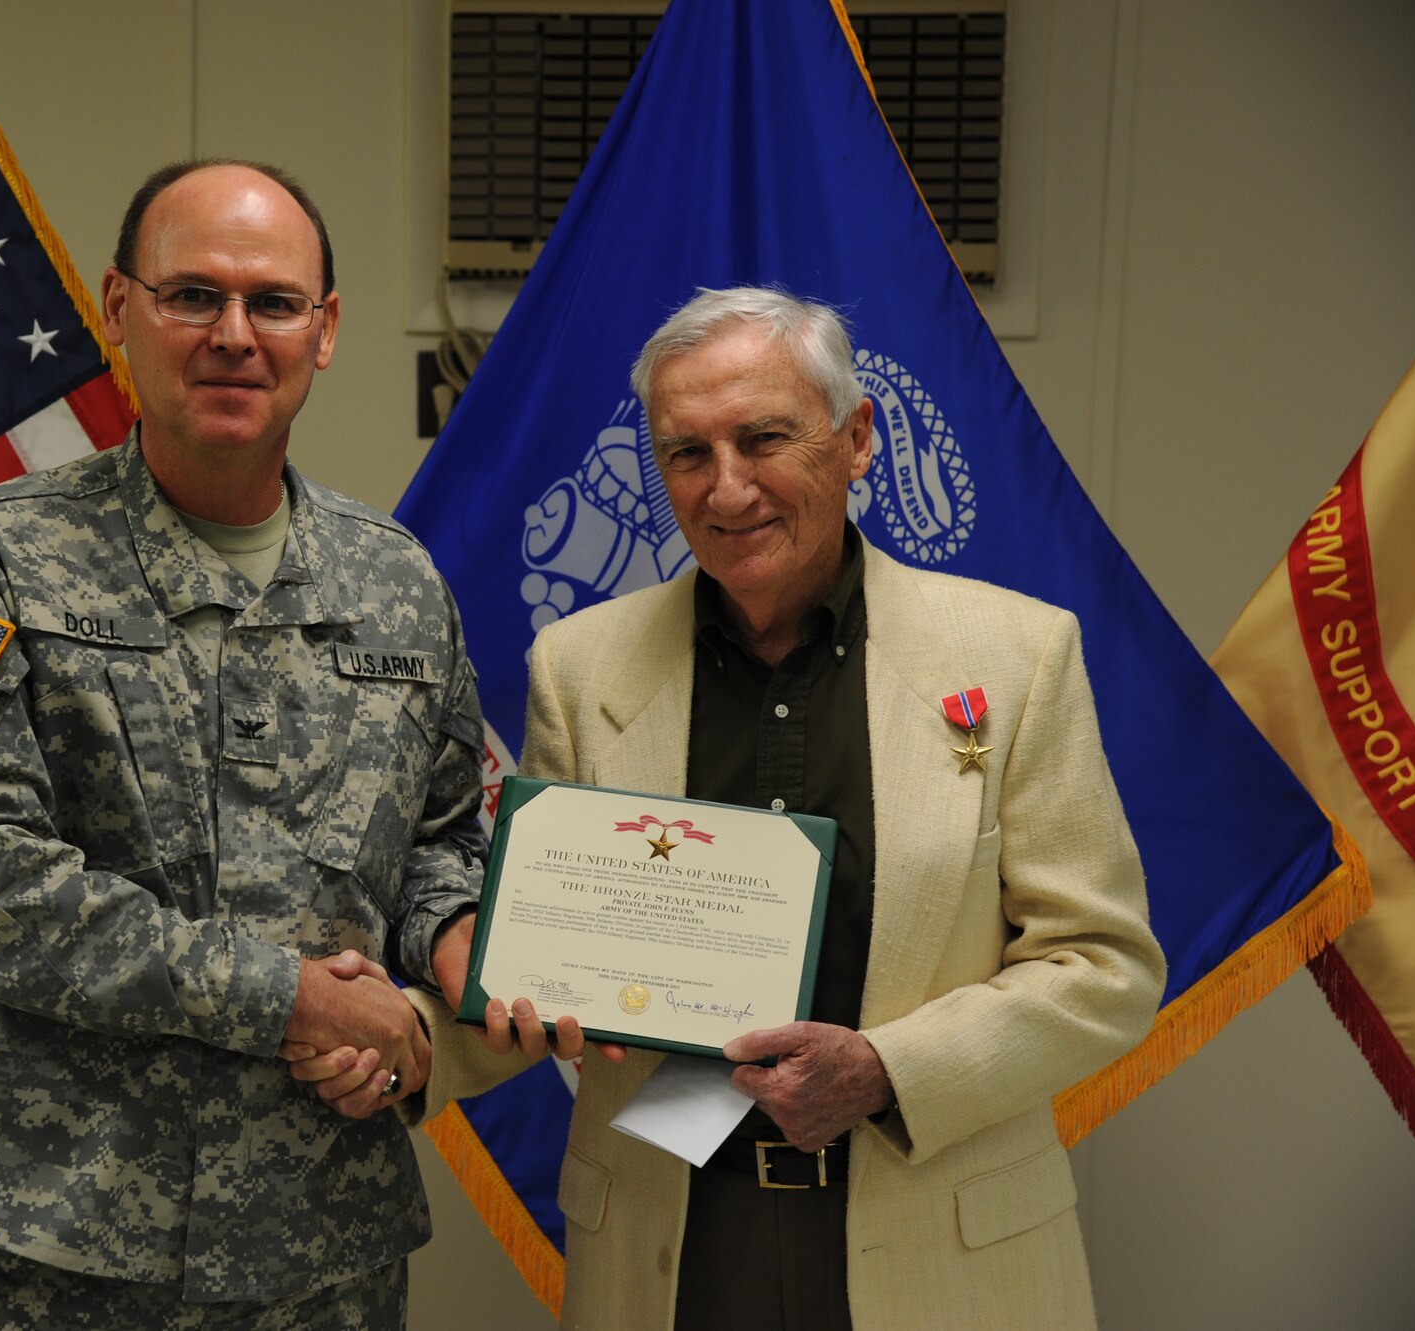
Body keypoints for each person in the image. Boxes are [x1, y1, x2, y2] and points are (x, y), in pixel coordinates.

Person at [0, 158, 564, 1331]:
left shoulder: (394, 581)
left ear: (323, 332)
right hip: (53, 1262)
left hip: (322, 1256)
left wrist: (454, 938)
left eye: (272, 302)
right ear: (119, 308)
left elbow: (442, 837)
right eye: (193, 297)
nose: (234, 333)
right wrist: (286, 997)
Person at [480, 286, 1168, 1329]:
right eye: (684, 452)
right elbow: (535, 952)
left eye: (763, 438)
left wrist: (883, 1069)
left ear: (855, 440)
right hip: (672, 1248)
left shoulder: (1015, 657)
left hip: (939, 1249)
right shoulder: (576, 671)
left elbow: (1104, 968)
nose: (726, 488)